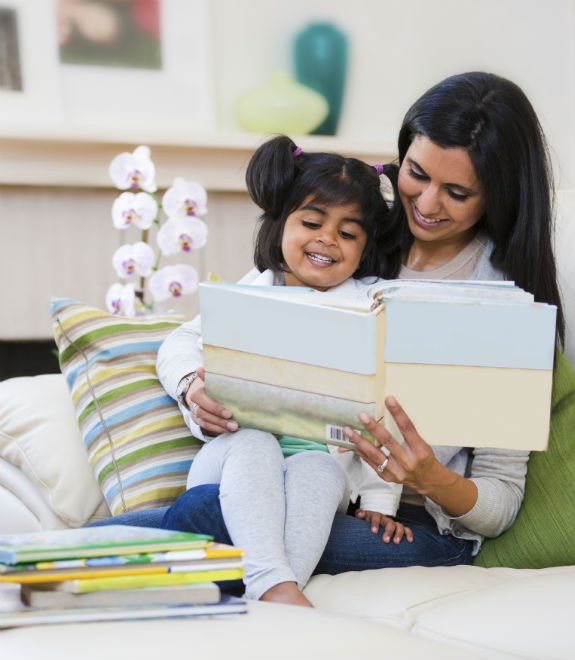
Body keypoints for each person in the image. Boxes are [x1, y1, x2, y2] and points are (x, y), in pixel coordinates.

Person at [102, 71, 570, 586]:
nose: (427, 204)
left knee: (210, 515)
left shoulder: (505, 301)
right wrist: (194, 386)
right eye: (417, 173)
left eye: (457, 192)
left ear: (496, 197)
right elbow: (195, 336)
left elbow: (500, 505)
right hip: (295, 482)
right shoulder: (354, 229)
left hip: (406, 524)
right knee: (221, 504)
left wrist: (429, 477)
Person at [157, 134, 406, 607]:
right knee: (255, 442)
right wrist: (192, 386)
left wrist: (378, 505)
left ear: (365, 247)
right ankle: (275, 584)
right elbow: (179, 342)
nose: (327, 238)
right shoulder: (252, 291)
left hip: (319, 466)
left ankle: (273, 588)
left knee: (320, 469)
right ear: (281, 223)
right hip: (232, 463)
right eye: (312, 222)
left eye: (348, 234)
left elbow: (383, 414)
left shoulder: (367, 309)